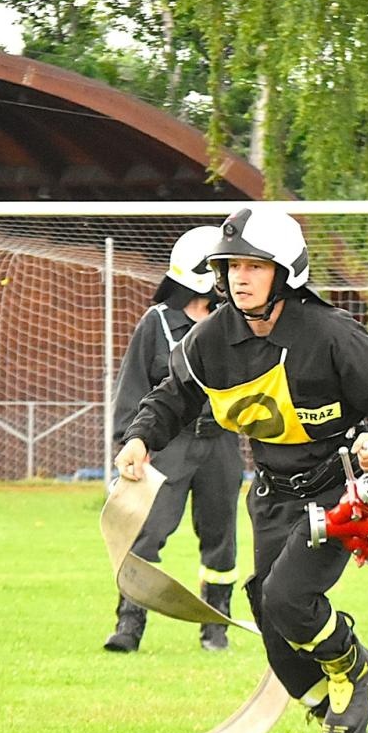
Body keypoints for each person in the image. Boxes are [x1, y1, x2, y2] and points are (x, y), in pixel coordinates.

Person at [114, 206, 368, 733]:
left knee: (287, 598)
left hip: (337, 493)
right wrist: (140, 439)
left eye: (254, 267)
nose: (240, 277)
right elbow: (172, 396)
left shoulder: (331, 333)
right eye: (231, 266)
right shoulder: (210, 339)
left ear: (285, 273)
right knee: (270, 618)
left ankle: (354, 665)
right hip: (271, 496)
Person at [104, 226, 246, 654]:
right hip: (167, 446)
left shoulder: (235, 322)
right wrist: (130, 442)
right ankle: (129, 625)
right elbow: (132, 385)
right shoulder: (158, 323)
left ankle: (215, 628)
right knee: (146, 535)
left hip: (221, 444)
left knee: (221, 539)